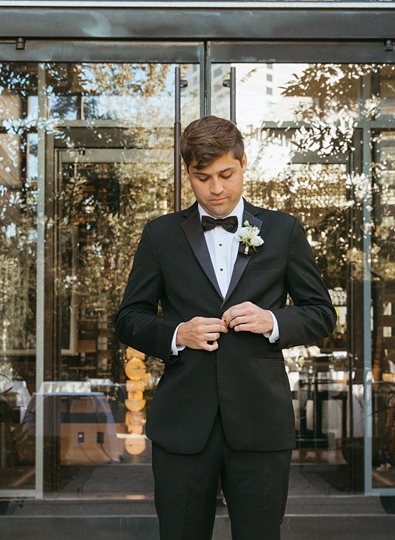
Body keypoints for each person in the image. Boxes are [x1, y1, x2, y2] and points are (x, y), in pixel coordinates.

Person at [114, 115, 336, 540]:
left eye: (225, 175)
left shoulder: (284, 230)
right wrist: (178, 334)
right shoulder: (159, 235)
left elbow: (322, 313)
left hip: (260, 422)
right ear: (189, 175)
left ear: (244, 163)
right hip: (183, 424)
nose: (216, 189)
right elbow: (129, 319)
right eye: (203, 178)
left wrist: (272, 320)